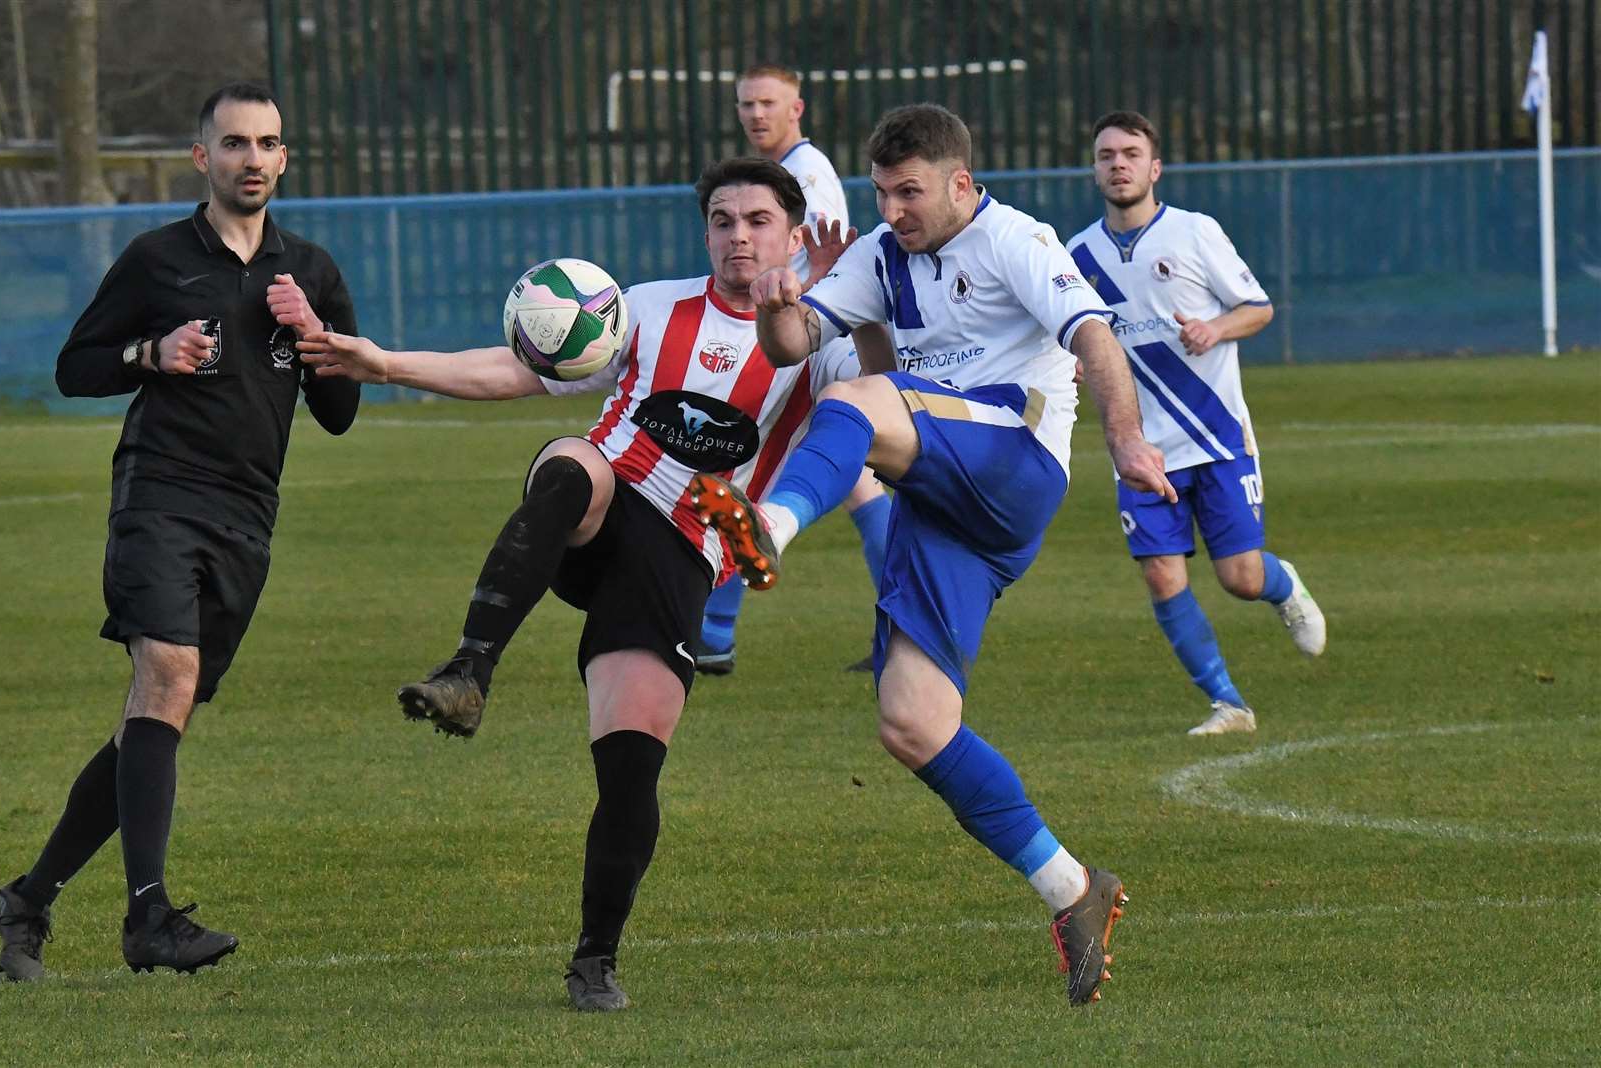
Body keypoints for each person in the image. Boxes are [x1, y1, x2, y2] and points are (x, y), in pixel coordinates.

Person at [299, 157, 866, 1012]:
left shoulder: (820, 344)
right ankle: (468, 672)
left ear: (793, 232)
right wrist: (382, 364)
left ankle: (595, 960)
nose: (737, 235)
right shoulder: (647, 307)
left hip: (682, 559)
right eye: (721, 219)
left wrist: (849, 303)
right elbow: (520, 370)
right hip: (607, 502)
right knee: (571, 463)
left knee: (630, 776)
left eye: (756, 220)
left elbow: (878, 401)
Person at [688, 104, 1170, 1006]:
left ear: (959, 182)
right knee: (912, 722)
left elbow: (1095, 336)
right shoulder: (876, 252)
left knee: (862, 400)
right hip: (944, 501)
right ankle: (1072, 890)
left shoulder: (1015, 240)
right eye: (882, 191)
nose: (894, 208)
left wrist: (1130, 443)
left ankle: (768, 527)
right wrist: (777, 303)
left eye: (910, 192)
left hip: (1012, 461)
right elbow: (795, 345)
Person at [0, 82, 359, 982]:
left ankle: (28, 900)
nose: (253, 160)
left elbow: (340, 412)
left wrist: (316, 337)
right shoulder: (157, 260)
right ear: (203, 158)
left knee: (152, 722)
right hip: (157, 496)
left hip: (248, 518)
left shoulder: (310, 271)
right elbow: (74, 367)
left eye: (268, 144)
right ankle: (148, 919)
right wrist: (150, 355)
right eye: (234, 144)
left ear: (284, 158)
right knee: (168, 674)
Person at [1065, 110, 1326, 737]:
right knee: (1161, 573)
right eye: (1107, 155)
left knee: (1239, 577)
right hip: (1141, 448)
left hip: (1216, 435)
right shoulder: (1075, 256)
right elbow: (1069, 336)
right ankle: (1228, 705)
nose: (1118, 164)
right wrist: (1069, 364)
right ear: (1094, 168)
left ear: (1155, 168)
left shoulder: (1194, 233)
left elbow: (1257, 308)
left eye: (1131, 153)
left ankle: (1282, 584)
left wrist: (1215, 328)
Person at [693, 62, 891, 676]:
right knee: (840, 481)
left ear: (797, 108)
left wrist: (788, 318)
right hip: (792, 335)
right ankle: (715, 633)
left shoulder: (803, 176)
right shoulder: (782, 172)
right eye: (746, 104)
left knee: (762, 469)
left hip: (804, 340)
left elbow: (827, 265)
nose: (756, 115)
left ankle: (714, 631)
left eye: (767, 103)